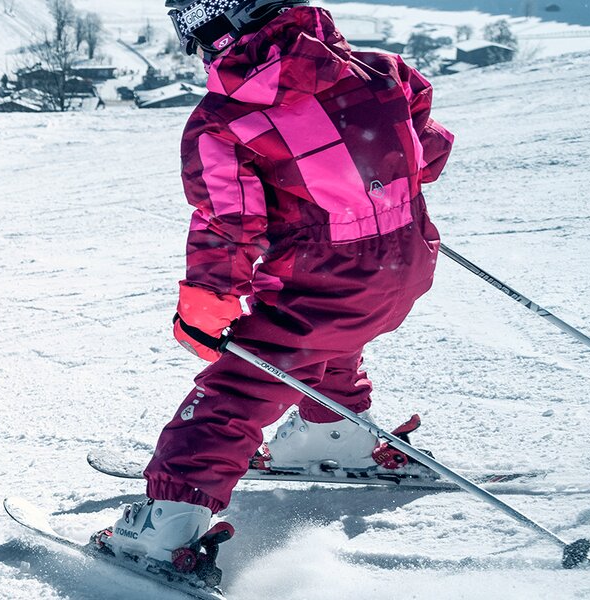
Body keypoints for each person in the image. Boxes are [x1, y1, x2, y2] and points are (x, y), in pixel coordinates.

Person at [93, 0, 455, 581]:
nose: (198, 49)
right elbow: (428, 152)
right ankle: (330, 433)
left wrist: (208, 301)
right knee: (326, 338)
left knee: (240, 384)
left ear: (220, 28)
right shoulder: (381, 69)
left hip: (329, 276)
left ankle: (168, 524)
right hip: (406, 265)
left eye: (195, 32)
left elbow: (228, 223)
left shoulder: (225, 120)